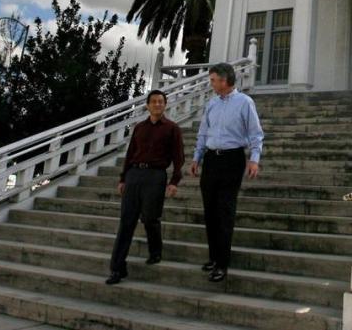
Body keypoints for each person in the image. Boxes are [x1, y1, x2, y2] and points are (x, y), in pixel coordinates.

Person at [189, 62, 264, 282]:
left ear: (224, 80)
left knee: (225, 211)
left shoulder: (244, 102)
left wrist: (254, 159)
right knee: (210, 210)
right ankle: (213, 257)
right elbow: (204, 132)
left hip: (232, 159)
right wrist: (197, 157)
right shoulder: (211, 103)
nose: (210, 83)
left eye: (213, 79)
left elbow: (255, 133)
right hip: (211, 159)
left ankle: (222, 264)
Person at [106, 89, 184, 284]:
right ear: (148, 105)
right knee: (126, 221)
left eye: (161, 102)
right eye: (154, 101)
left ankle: (155, 250)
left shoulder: (172, 128)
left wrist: (174, 181)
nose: (158, 104)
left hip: (156, 176)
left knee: (150, 218)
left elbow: (178, 158)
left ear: (165, 105)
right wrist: (123, 178)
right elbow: (130, 153)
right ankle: (117, 268)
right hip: (134, 175)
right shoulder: (139, 127)